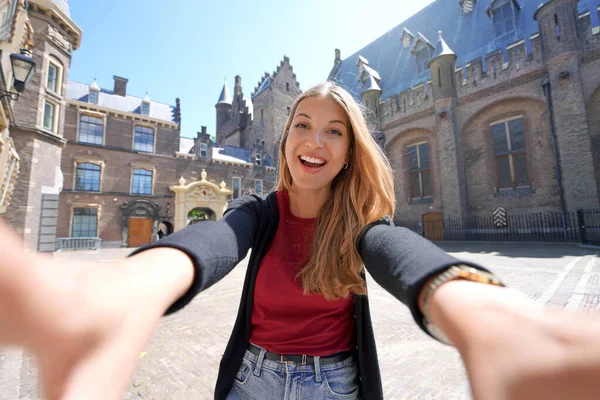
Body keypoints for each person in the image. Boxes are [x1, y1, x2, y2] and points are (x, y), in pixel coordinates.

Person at [1, 82, 600, 400]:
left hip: (336, 385)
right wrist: (128, 288)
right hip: (252, 383)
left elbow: (399, 256)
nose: (315, 139)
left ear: (350, 152)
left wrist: (486, 311)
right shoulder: (261, 213)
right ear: (284, 141)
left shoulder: (360, 225)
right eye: (302, 125)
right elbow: (217, 239)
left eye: (335, 130)